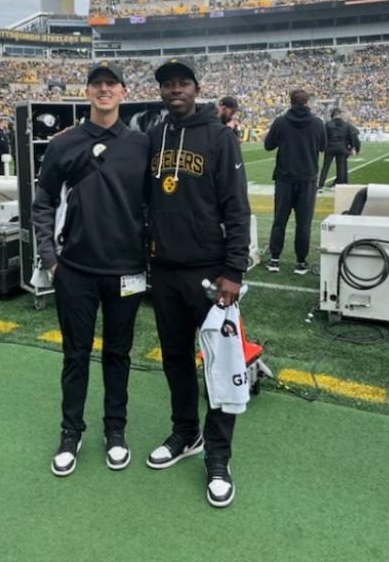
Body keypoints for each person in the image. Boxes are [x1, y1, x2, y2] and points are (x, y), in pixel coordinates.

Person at [32, 61, 149, 477]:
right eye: (96, 84)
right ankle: (71, 431)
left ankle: (115, 431)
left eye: (111, 84)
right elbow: (43, 203)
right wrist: (51, 260)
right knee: (75, 355)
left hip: (126, 270)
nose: (104, 90)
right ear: (86, 93)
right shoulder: (65, 143)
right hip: (76, 270)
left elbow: (153, 205)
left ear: (122, 92)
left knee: (118, 354)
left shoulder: (140, 144)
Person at [146, 57, 251, 509]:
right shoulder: (154, 135)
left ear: (195, 87)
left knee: (222, 367)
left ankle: (218, 457)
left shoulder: (220, 137)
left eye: (182, 83)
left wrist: (234, 271)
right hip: (164, 270)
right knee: (174, 360)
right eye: (167, 84)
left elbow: (237, 208)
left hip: (210, 273)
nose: (175, 90)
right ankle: (186, 432)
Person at [264, 89, 326, 275]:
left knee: (279, 221)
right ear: (307, 102)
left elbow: (268, 146)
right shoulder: (317, 123)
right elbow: (323, 146)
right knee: (303, 223)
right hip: (307, 179)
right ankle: (300, 262)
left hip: (284, 178)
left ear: (290, 102)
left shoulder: (281, 122)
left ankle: (275, 260)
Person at [318, 108, 359, 190]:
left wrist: (321, 148)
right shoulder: (346, 124)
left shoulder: (328, 124)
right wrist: (352, 148)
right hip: (342, 148)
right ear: (339, 114)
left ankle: (321, 184)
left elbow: (324, 137)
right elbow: (351, 137)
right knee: (341, 168)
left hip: (330, 148)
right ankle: (340, 186)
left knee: (325, 167)